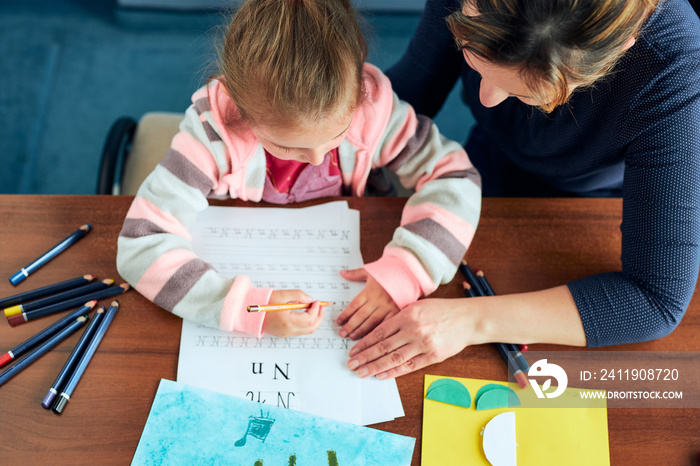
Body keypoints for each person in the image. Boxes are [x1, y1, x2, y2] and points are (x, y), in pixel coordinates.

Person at [344, 0, 700, 379]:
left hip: (590, 206)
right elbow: (409, 99)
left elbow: (655, 300)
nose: (486, 98)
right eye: (474, 61)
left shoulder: (673, 62)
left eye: (530, 95)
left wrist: (469, 322)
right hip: (481, 168)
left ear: (620, 49)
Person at [116, 0, 481, 338]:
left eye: (336, 137)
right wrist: (249, 308)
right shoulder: (212, 133)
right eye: (287, 146)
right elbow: (141, 245)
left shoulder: (371, 112)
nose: (319, 160)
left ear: (358, 92)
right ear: (240, 109)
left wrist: (407, 271)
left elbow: (456, 177)